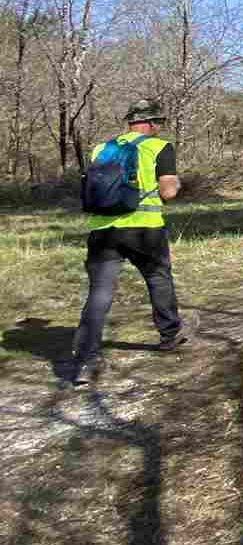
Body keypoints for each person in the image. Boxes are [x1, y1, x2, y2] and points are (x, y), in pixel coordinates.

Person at [68, 101, 185, 386]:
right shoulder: (159, 147)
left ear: (131, 122)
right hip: (145, 229)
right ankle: (170, 335)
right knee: (158, 278)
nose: (159, 128)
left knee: (99, 292)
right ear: (152, 123)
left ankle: (86, 361)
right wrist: (176, 185)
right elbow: (169, 192)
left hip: (103, 230)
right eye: (158, 123)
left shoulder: (101, 148)